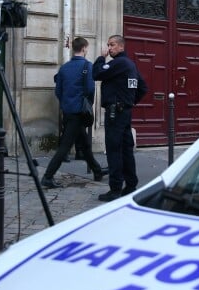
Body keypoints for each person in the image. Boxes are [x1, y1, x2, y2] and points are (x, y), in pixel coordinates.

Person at [41, 36, 104, 188]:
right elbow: (90, 89)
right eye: (86, 48)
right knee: (65, 147)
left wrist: (66, 103)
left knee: (84, 144)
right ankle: (48, 176)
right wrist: (86, 103)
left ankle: (97, 171)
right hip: (79, 112)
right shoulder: (87, 66)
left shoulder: (64, 67)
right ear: (83, 49)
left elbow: (58, 91)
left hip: (68, 110)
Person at [93, 34, 148, 202]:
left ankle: (115, 188)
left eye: (112, 45)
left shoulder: (118, 63)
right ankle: (131, 185)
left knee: (114, 150)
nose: (109, 48)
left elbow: (96, 74)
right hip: (124, 112)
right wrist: (130, 102)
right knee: (126, 149)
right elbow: (142, 87)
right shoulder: (130, 64)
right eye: (108, 45)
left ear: (121, 47)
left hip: (115, 113)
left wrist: (101, 58)